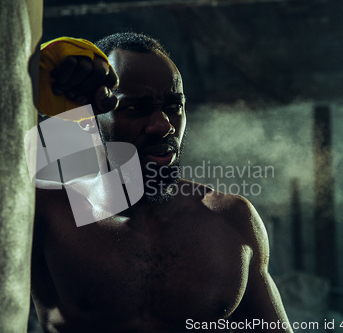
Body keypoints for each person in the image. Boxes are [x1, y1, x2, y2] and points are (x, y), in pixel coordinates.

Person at [31, 32, 293, 332]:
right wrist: (18, 95)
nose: (163, 125)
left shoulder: (231, 218)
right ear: (88, 120)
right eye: (136, 108)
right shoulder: (47, 213)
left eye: (173, 106)